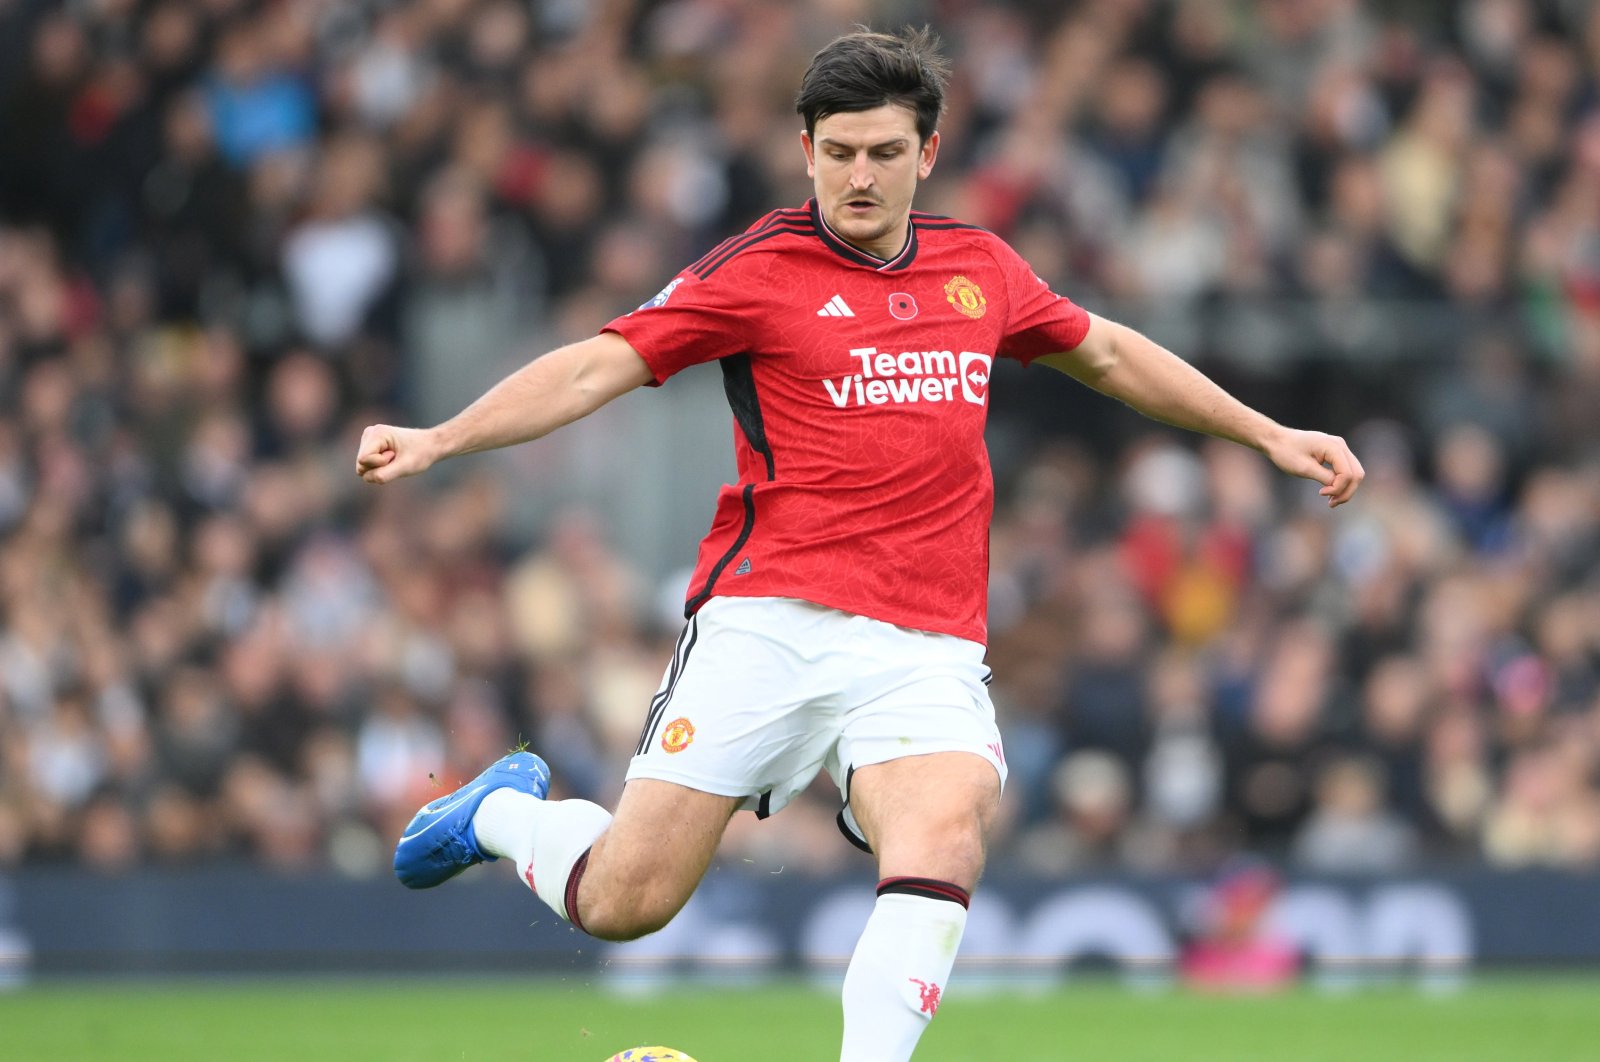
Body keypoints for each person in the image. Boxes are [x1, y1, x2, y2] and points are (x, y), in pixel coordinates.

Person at [356, 28, 1363, 1062]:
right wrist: (442, 438)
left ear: (926, 154)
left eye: (883, 152)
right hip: (768, 618)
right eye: (838, 152)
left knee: (944, 829)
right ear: (804, 149)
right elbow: (591, 369)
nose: (859, 175)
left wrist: (1265, 432)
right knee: (625, 901)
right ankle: (502, 816)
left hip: (923, 640)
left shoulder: (979, 268)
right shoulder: (757, 269)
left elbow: (1103, 353)